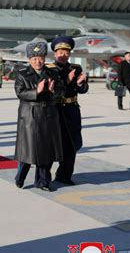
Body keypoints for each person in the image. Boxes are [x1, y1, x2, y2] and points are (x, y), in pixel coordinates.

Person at [14, 42, 65, 191]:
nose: (38, 61)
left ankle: (43, 181)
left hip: (48, 116)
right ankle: (20, 177)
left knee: (46, 152)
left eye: (41, 58)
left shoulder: (52, 74)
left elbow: (61, 91)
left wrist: (52, 91)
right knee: (27, 152)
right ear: (29, 59)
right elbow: (20, 93)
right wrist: (37, 91)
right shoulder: (22, 74)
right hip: (30, 117)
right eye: (34, 58)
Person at [49, 36, 89, 185]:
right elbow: (54, 91)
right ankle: (44, 176)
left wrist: (80, 84)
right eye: (60, 52)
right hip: (56, 110)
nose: (63, 54)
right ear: (55, 53)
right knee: (54, 144)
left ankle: (65, 175)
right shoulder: (50, 70)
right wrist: (66, 81)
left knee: (72, 144)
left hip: (72, 110)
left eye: (66, 52)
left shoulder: (76, 68)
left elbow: (83, 90)